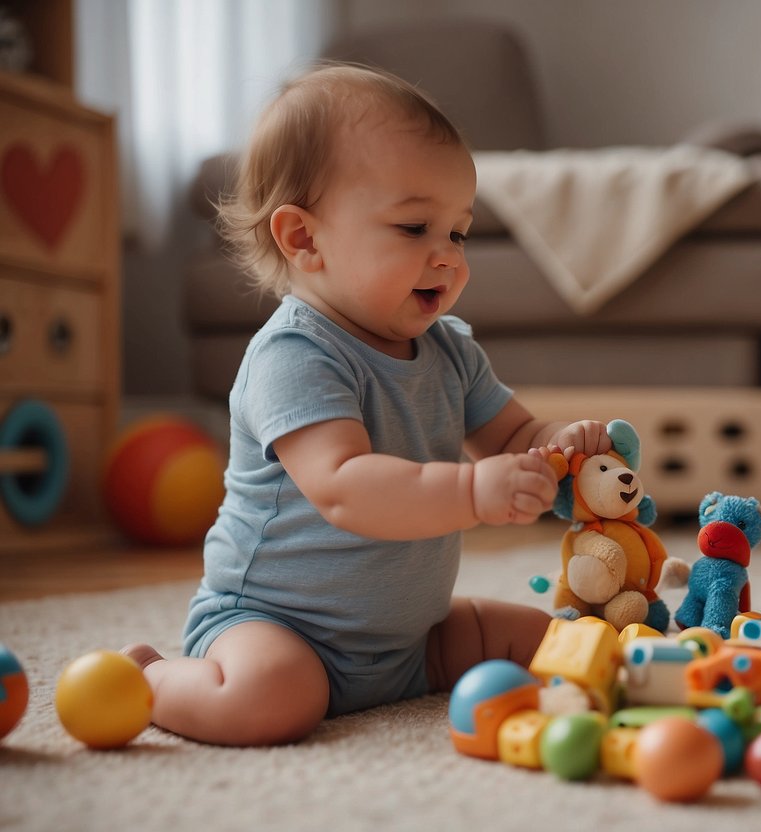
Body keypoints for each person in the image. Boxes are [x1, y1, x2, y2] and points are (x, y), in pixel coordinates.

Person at [121, 64, 611, 746]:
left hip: (412, 640)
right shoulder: (293, 357)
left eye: (458, 233)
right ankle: (150, 680)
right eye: (414, 228)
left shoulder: (452, 350)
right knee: (273, 700)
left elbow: (514, 433)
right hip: (276, 627)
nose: (447, 257)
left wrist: (563, 444)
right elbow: (346, 488)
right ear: (303, 239)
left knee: (559, 644)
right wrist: (473, 491)